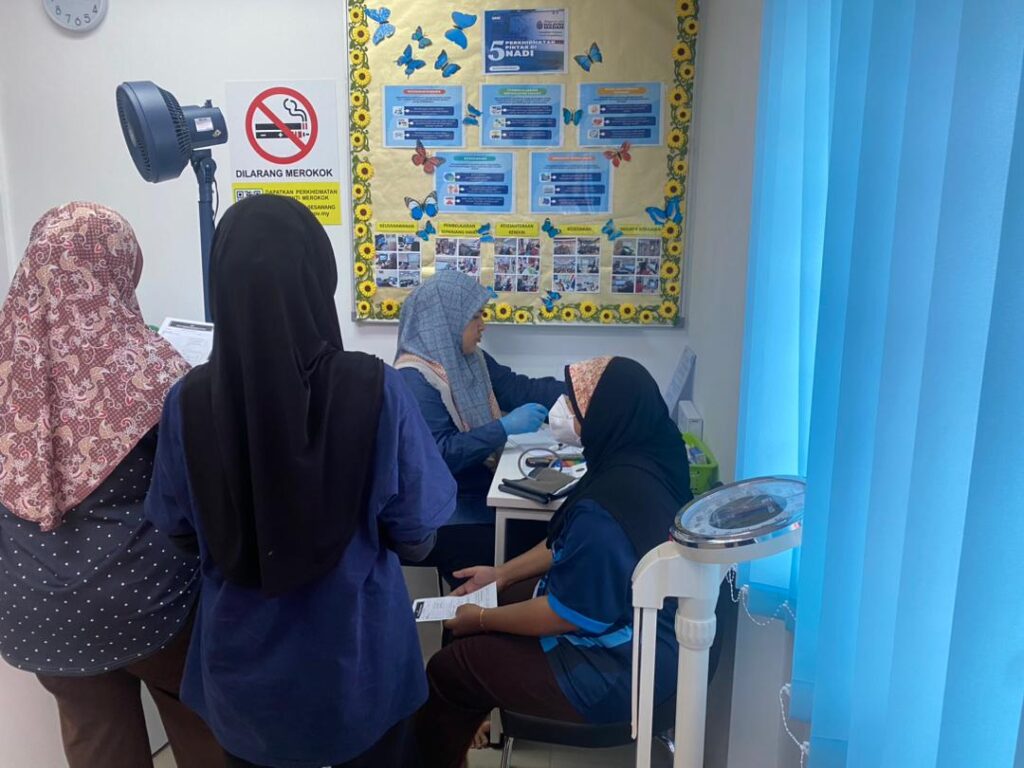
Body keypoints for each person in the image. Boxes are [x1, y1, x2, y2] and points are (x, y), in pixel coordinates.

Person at [145, 195, 455, 768]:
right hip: (357, 667)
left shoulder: (188, 403)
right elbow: (417, 533)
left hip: (244, 678)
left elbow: (178, 530)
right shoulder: (376, 390)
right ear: (318, 277)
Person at [0, 202, 223, 767]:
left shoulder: (6, 368)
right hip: (150, 605)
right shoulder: (153, 370)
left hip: (34, 613)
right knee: (203, 730)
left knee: (98, 745)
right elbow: (199, 490)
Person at [416, 356, 693, 768]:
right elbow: (567, 544)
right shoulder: (647, 460)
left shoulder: (607, 507)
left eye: (577, 410)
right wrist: (500, 575)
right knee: (481, 603)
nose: (568, 416)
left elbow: (565, 612)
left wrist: (482, 619)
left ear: (607, 416)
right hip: (646, 630)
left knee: (448, 667)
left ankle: (449, 733)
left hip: (619, 671)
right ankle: (466, 718)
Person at [395, 271, 565, 586]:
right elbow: (442, 456)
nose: (483, 325)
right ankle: (476, 614)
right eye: (475, 317)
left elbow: (517, 389)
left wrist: (582, 388)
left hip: (479, 492)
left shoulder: (469, 359)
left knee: (552, 527)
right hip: (444, 513)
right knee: (535, 540)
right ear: (445, 320)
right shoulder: (414, 378)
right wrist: (503, 428)